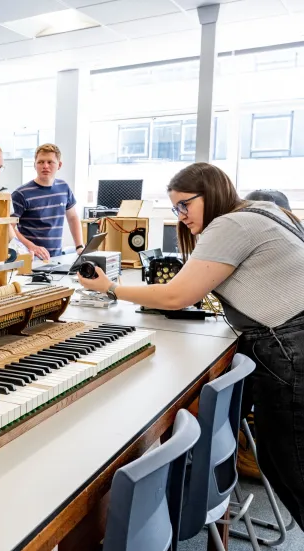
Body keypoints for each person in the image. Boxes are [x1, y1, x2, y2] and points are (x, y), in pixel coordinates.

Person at [78, 162, 304, 530]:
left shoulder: (232, 223)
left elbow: (178, 295)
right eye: (175, 208)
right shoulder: (260, 211)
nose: (181, 216)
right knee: (284, 464)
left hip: (290, 345)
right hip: (288, 340)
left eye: (185, 205)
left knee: (292, 466)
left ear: (211, 195)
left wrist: (111, 288)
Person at [11, 143, 83, 261]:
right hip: (32, 259)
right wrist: (31, 247)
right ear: (35, 165)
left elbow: (73, 217)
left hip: (57, 257)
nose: (45, 166)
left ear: (59, 165)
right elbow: (8, 227)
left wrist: (79, 246)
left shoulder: (64, 188)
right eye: (40, 162)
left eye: (50, 162)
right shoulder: (21, 194)